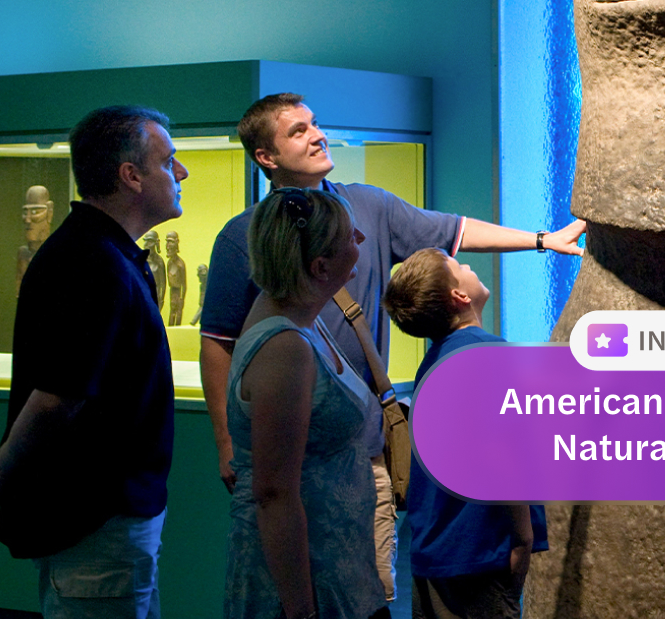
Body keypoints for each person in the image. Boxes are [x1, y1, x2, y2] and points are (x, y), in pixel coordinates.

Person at [198, 92, 584, 600]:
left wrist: (541, 240)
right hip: (286, 446)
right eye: (297, 131)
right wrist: (227, 443)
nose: (317, 135)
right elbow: (217, 342)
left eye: (314, 124)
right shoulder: (245, 241)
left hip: (362, 452)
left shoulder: (369, 205)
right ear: (265, 157)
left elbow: (454, 231)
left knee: (369, 589)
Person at [0, 105, 186, 618]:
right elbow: (59, 394)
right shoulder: (92, 262)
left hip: (109, 515)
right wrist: (9, 461)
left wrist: (8, 454)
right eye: (169, 161)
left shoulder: (104, 255)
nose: (182, 173)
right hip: (96, 518)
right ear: (131, 176)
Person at [224, 187, 385, 619]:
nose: (362, 242)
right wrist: (302, 611)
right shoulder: (285, 348)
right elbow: (274, 494)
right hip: (306, 580)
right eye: (351, 237)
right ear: (320, 266)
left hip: (338, 566)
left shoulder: (299, 317)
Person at [383, 248, 549, 619]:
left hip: (433, 556)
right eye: (459, 267)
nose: (469, 266)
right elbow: (509, 458)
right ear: (459, 297)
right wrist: (523, 538)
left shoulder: (436, 360)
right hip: (480, 555)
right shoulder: (487, 354)